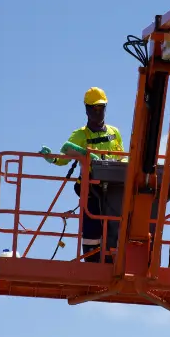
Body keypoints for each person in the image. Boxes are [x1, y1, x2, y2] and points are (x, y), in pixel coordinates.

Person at [46, 87, 125, 262]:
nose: (97, 112)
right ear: (87, 109)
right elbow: (65, 155)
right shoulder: (81, 134)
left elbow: (123, 158)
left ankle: (115, 257)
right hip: (91, 189)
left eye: (101, 107)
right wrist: (52, 159)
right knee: (92, 226)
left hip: (114, 188)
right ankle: (92, 260)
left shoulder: (114, 132)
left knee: (115, 224)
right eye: (93, 108)